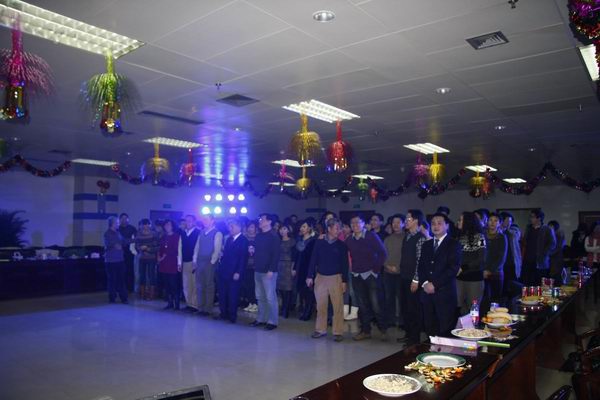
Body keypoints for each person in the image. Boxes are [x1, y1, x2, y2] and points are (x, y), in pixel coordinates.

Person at [417, 213, 461, 337]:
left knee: (445, 329)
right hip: (427, 292)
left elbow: (453, 269)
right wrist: (425, 283)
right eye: (433, 223)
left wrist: (435, 284)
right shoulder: (426, 245)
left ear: (447, 226)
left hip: (444, 293)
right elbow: (421, 267)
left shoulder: (453, 244)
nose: (435, 226)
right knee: (429, 327)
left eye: (439, 223)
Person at [345, 215, 388, 341]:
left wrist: (375, 269)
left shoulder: (371, 236)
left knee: (376, 304)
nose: (355, 225)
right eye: (352, 223)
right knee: (362, 305)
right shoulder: (349, 239)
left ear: (363, 223)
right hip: (356, 275)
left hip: (371, 275)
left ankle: (383, 329)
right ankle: (365, 330)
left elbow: (383, 253)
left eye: (357, 222)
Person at [306, 218, 349, 342]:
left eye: (339, 228)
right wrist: (309, 276)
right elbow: (313, 259)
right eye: (336, 228)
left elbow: (345, 264)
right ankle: (320, 329)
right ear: (329, 229)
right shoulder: (319, 243)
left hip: (336, 278)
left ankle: (338, 331)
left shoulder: (342, 245)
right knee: (321, 306)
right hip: (320, 277)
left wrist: (344, 281)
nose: (338, 231)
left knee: (337, 306)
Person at [250, 213, 281, 331]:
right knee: (260, 296)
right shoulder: (258, 236)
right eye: (260, 219)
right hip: (258, 269)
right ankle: (261, 318)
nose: (260, 221)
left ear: (269, 222)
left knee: (270, 297)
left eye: (262, 219)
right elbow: (257, 251)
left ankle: (273, 321)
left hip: (268, 271)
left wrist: (271, 269)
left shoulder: (274, 236)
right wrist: (252, 250)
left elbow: (276, 254)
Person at [401, 210, 427, 345]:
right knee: (405, 308)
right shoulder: (407, 236)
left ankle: (414, 338)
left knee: (414, 309)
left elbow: (419, 261)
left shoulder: (420, 238)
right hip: (404, 276)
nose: (406, 221)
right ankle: (408, 334)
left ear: (416, 220)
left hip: (413, 279)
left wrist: (416, 280)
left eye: (408, 219)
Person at [216, 218, 248, 323]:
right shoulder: (229, 239)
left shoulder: (243, 240)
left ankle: (232, 316)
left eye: (232, 227)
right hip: (224, 270)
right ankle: (223, 313)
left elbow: (243, 258)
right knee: (223, 293)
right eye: (229, 227)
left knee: (233, 295)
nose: (230, 229)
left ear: (239, 227)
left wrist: (238, 272)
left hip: (234, 272)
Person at [456, 212, 486, 316]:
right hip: (459, 278)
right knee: (458, 307)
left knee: (473, 309)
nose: (458, 222)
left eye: (461, 220)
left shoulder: (479, 237)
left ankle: (473, 327)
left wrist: (463, 267)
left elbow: (480, 259)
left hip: (474, 278)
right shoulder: (458, 237)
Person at [196, 215, 223, 316]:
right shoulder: (201, 232)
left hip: (209, 262)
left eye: (206, 220)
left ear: (212, 221)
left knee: (209, 286)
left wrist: (212, 262)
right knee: (200, 285)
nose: (204, 221)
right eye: (203, 220)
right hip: (200, 261)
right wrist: (195, 259)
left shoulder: (217, 233)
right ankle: (200, 307)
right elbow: (197, 246)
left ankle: (207, 309)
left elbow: (217, 249)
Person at [382, 214, 405, 329]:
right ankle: (390, 320)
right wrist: (387, 266)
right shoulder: (387, 239)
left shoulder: (407, 238)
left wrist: (398, 267)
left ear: (403, 224)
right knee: (388, 298)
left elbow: (408, 257)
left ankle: (402, 321)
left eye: (398, 222)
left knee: (402, 299)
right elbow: (382, 255)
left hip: (402, 274)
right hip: (388, 273)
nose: (395, 225)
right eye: (393, 222)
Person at [522, 209, 556, 286]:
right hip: (527, 261)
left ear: (539, 218)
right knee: (527, 284)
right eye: (530, 217)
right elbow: (525, 242)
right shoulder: (529, 228)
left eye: (532, 217)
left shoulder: (547, 229)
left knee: (539, 284)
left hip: (540, 262)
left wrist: (545, 253)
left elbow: (552, 244)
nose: (530, 218)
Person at [484, 213, 507, 310]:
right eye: (490, 220)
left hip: (496, 273)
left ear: (499, 223)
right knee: (483, 301)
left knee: (495, 301)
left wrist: (490, 270)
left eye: (495, 220)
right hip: (482, 272)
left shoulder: (502, 237)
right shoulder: (482, 236)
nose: (492, 223)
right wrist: (483, 270)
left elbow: (502, 257)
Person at [295, 219, 318, 321]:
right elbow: (296, 256)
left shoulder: (313, 241)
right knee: (301, 291)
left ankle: (308, 311)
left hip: (309, 268)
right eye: (301, 227)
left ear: (309, 228)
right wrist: (294, 268)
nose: (302, 229)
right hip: (299, 268)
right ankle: (304, 309)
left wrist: (311, 273)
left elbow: (313, 258)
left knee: (309, 291)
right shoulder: (299, 240)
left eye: (304, 227)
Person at [178, 215, 201, 312]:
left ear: (194, 222)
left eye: (190, 221)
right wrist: (179, 262)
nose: (188, 223)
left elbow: (197, 248)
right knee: (186, 284)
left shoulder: (198, 232)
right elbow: (179, 248)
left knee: (194, 284)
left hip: (194, 261)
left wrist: (195, 261)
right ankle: (188, 303)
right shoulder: (183, 233)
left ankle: (194, 305)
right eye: (186, 221)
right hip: (185, 261)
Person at [104, 216, 128, 304]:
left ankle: (124, 298)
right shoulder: (107, 233)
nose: (119, 224)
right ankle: (112, 298)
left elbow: (124, 242)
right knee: (112, 280)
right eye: (117, 223)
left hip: (120, 260)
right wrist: (115, 245)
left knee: (121, 280)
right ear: (112, 224)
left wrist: (133, 239)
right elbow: (108, 244)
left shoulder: (118, 233)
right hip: (110, 261)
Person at [500, 212, 523, 303]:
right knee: (502, 288)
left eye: (510, 221)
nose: (509, 223)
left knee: (513, 287)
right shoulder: (498, 233)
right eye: (507, 221)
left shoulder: (512, 232)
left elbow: (517, 235)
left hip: (511, 263)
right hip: (501, 264)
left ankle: (512, 303)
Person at [158, 219, 181, 310]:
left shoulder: (177, 236)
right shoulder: (163, 237)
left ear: (173, 226)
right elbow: (160, 248)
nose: (167, 226)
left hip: (172, 263)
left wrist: (164, 255)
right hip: (163, 264)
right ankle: (170, 303)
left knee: (173, 284)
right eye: (166, 225)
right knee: (166, 284)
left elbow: (176, 249)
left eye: (169, 225)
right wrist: (158, 256)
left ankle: (177, 304)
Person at [135, 219, 159, 300]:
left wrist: (147, 249)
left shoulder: (154, 234)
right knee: (142, 276)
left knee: (151, 276)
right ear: (141, 225)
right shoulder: (138, 234)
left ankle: (151, 294)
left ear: (150, 225)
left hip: (151, 258)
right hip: (142, 258)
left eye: (147, 224)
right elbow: (137, 245)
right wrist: (140, 248)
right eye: (144, 224)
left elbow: (157, 246)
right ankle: (143, 294)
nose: (146, 226)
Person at [277, 224, 296, 319]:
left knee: (287, 289)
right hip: (279, 265)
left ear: (288, 230)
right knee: (280, 288)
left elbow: (294, 256)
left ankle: (286, 309)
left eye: (284, 229)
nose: (282, 230)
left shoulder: (292, 241)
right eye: (281, 229)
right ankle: (283, 307)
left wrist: (293, 268)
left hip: (288, 266)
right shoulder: (278, 241)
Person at [242, 221, 258, 312]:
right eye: (249, 227)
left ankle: (255, 303)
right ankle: (250, 303)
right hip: (246, 264)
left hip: (255, 265)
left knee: (253, 285)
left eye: (252, 227)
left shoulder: (258, 238)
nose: (250, 229)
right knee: (247, 285)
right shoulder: (244, 238)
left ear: (255, 228)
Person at [118, 213, 137, 293]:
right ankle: (121, 288)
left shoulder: (132, 228)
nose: (124, 220)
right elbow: (116, 240)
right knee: (120, 270)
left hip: (129, 252)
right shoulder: (117, 228)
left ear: (128, 219)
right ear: (119, 219)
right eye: (122, 218)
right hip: (119, 253)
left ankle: (130, 288)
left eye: (126, 218)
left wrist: (126, 241)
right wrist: (126, 241)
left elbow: (136, 239)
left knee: (129, 270)